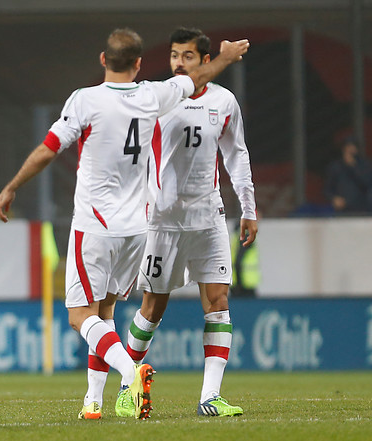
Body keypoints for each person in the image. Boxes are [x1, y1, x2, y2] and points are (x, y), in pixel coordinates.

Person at [0, 28, 249, 420]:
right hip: (140, 229)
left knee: (82, 315)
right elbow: (194, 80)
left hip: (96, 225)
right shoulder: (153, 97)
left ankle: (132, 373)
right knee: (109, 310)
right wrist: (226, 58)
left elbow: (49, 149)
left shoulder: (86, 100)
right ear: (139, 64)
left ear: (102, 59)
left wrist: (11, 186)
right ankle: (93, 401)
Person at [120, 27, 257, 417]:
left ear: (204, 59)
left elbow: (237, 156)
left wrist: (248, 207)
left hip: (209, 217)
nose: (179, 62)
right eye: (175, 55)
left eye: (188, 56)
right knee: (152, 308)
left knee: (218, 301)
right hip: (163, 222)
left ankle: (209, 397)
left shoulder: (224, 102)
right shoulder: (159, 99)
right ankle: (127, 385)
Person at [324, 138, 372, 215]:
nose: (350, 150)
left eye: (353, 147)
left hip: (362, 209)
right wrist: (334, 198)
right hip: (343, 209)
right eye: (348, 147)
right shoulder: (336, 167)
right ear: (343, 149)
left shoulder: (365, 165)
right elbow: (327, 189)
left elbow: (367, 184)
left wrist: (352, 166)